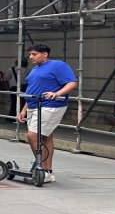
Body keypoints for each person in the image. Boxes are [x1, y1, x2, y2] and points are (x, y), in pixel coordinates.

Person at [17, 43, 77, 184]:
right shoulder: (35, 69)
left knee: (33, 135)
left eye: (34, 54)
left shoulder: (58, 66)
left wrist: (56, 93)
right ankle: (47, 171)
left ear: (45, 54)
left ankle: (41, 168)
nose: (31, 57)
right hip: (34, 104)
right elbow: (33, 89)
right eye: (30, 54)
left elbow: (72, 83)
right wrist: (24, 109)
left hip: (50, 105)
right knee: (46, 137)